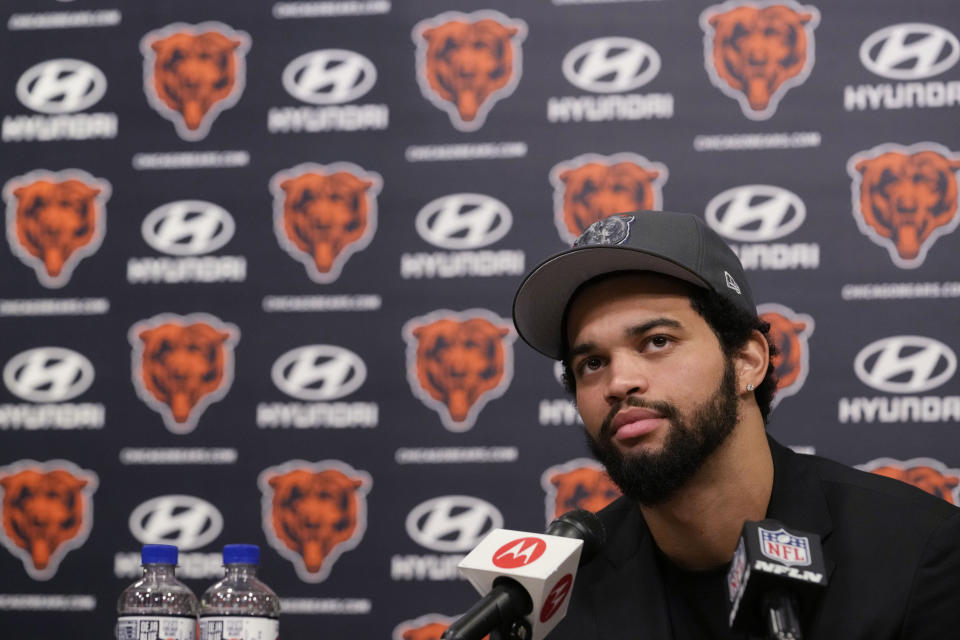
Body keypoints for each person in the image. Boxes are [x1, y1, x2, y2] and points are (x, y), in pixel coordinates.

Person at [511, 210, 960, 639]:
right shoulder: (556, 597)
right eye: (591, 363)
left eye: (657, 341)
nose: (618, 382)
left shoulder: (917, 555)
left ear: (747, 360)